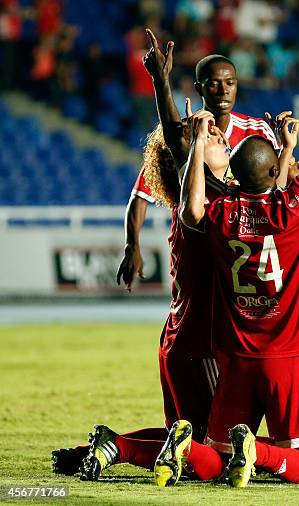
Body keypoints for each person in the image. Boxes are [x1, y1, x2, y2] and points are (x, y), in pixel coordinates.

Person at [153, 16, 299, 489]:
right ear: (274, 174)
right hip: (288, 352)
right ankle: (262, 451)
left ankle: (186, 446)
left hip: (234, 354)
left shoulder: (219, 214)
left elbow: (191, 197)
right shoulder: (293, 207)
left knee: (211, 460)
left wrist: (166, 94)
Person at [51, 122, 231, 479]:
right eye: (209, 136)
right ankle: (121, 448)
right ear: (187, 156)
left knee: (186, 438)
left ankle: (100, 447)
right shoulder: (203, 208)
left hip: (180, 340)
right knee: (213, 458)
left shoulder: (199, 202)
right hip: (201, 344)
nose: (222, 136)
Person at [116, 28, 278, 292]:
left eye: (230, 83)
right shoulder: (185, 133)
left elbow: (277, 185)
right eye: (214, 83)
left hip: (242, 246)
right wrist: (132, 245)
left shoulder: (257, 131)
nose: (223, 90)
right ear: (199, 88)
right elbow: (141, 194)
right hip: (193, 244)